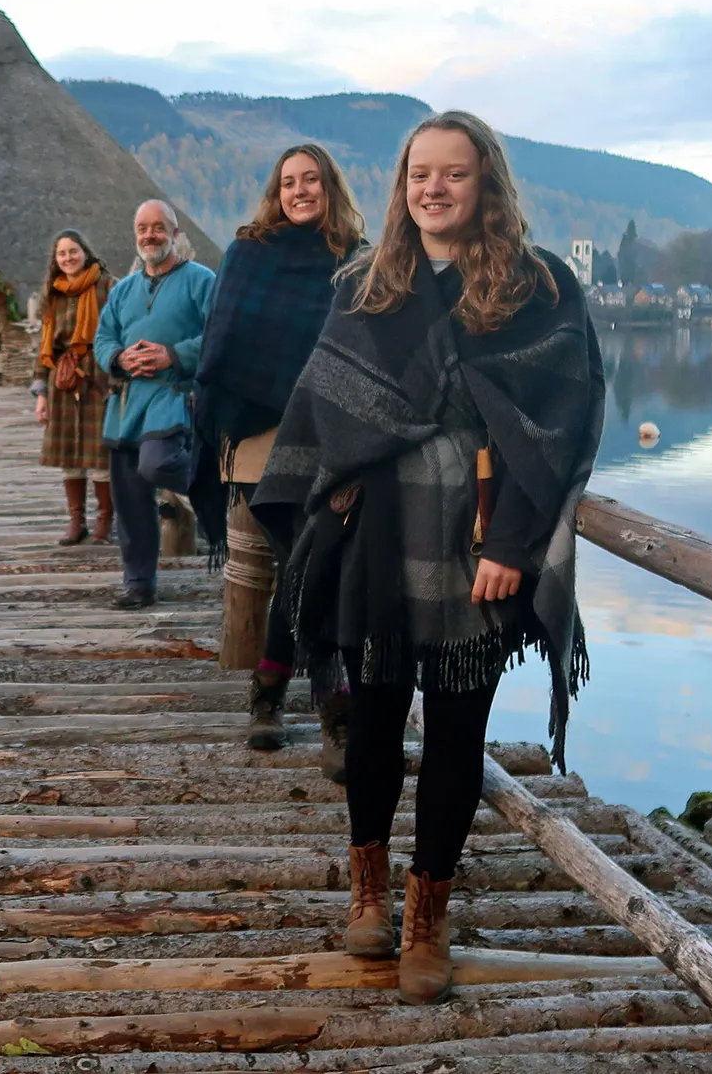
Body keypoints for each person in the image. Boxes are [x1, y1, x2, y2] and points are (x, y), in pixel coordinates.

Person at [251, 111, 604, 1005]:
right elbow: (320, 404)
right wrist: (327, 486)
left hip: (478, 543)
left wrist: (516, 546)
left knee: (455, 733)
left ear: (487, 184)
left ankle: (428, 918)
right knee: (372, 724)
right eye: (419, 175)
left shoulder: (538, 287)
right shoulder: (367, 283)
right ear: (402, 187)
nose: (434, 189)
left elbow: (556, 431)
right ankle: (368, 893)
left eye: (454, 174)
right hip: (377, 539)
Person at [191, 145, 365, 777]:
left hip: (329, 440)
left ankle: (267, 691)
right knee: (308, 565)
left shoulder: (355, 261)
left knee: (306, 570)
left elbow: (369, 350)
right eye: (289, 182)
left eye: (311, 179)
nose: (299, 190)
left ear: (329, 187)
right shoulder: (248, 253)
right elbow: (224, 343)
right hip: (260, 441)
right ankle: (336, 712)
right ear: (276, 190)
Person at [92, 200, 216, 608]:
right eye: (143, 228)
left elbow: (219, 335)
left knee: (157, 463)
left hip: (173, 394)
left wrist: (173, 354)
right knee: (128, 497)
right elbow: (103, 337)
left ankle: (217, 491)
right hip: (127, 402)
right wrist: (118, 358)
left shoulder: (200, 280)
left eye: (159, 227)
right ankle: (139, 582)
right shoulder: (124, 289)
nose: (150, 235)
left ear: (176, 234)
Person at [32, 230, 115, 544]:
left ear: (86, 252)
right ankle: (76, 522)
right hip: (63, 381)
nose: (67, 258)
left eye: (73, 251)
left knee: (99, 455)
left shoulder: (107, 286)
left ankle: (104, 521)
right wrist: (41, 393)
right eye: (61, 254)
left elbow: (121, 330)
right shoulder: (53, 294)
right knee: (70, 456)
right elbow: (45, 346)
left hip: (97, 377)